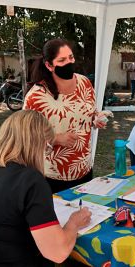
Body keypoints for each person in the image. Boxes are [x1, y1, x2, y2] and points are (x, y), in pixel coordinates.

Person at [0, 110, 92, 266]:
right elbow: (58, 253)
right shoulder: (30, 182)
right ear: (38, 143)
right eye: (47, 147)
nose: (46, 154)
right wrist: (74, 223)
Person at [24, 39, 107, 193]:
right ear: (49, 65)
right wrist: (55, 138)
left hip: (84, 169)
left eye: (71, 57)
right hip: (52, 176)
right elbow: (25, 136)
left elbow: (90, 111)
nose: (69, 63)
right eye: (62, 60)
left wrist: (96, 119)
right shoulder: (36, 96)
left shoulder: (85, 83)